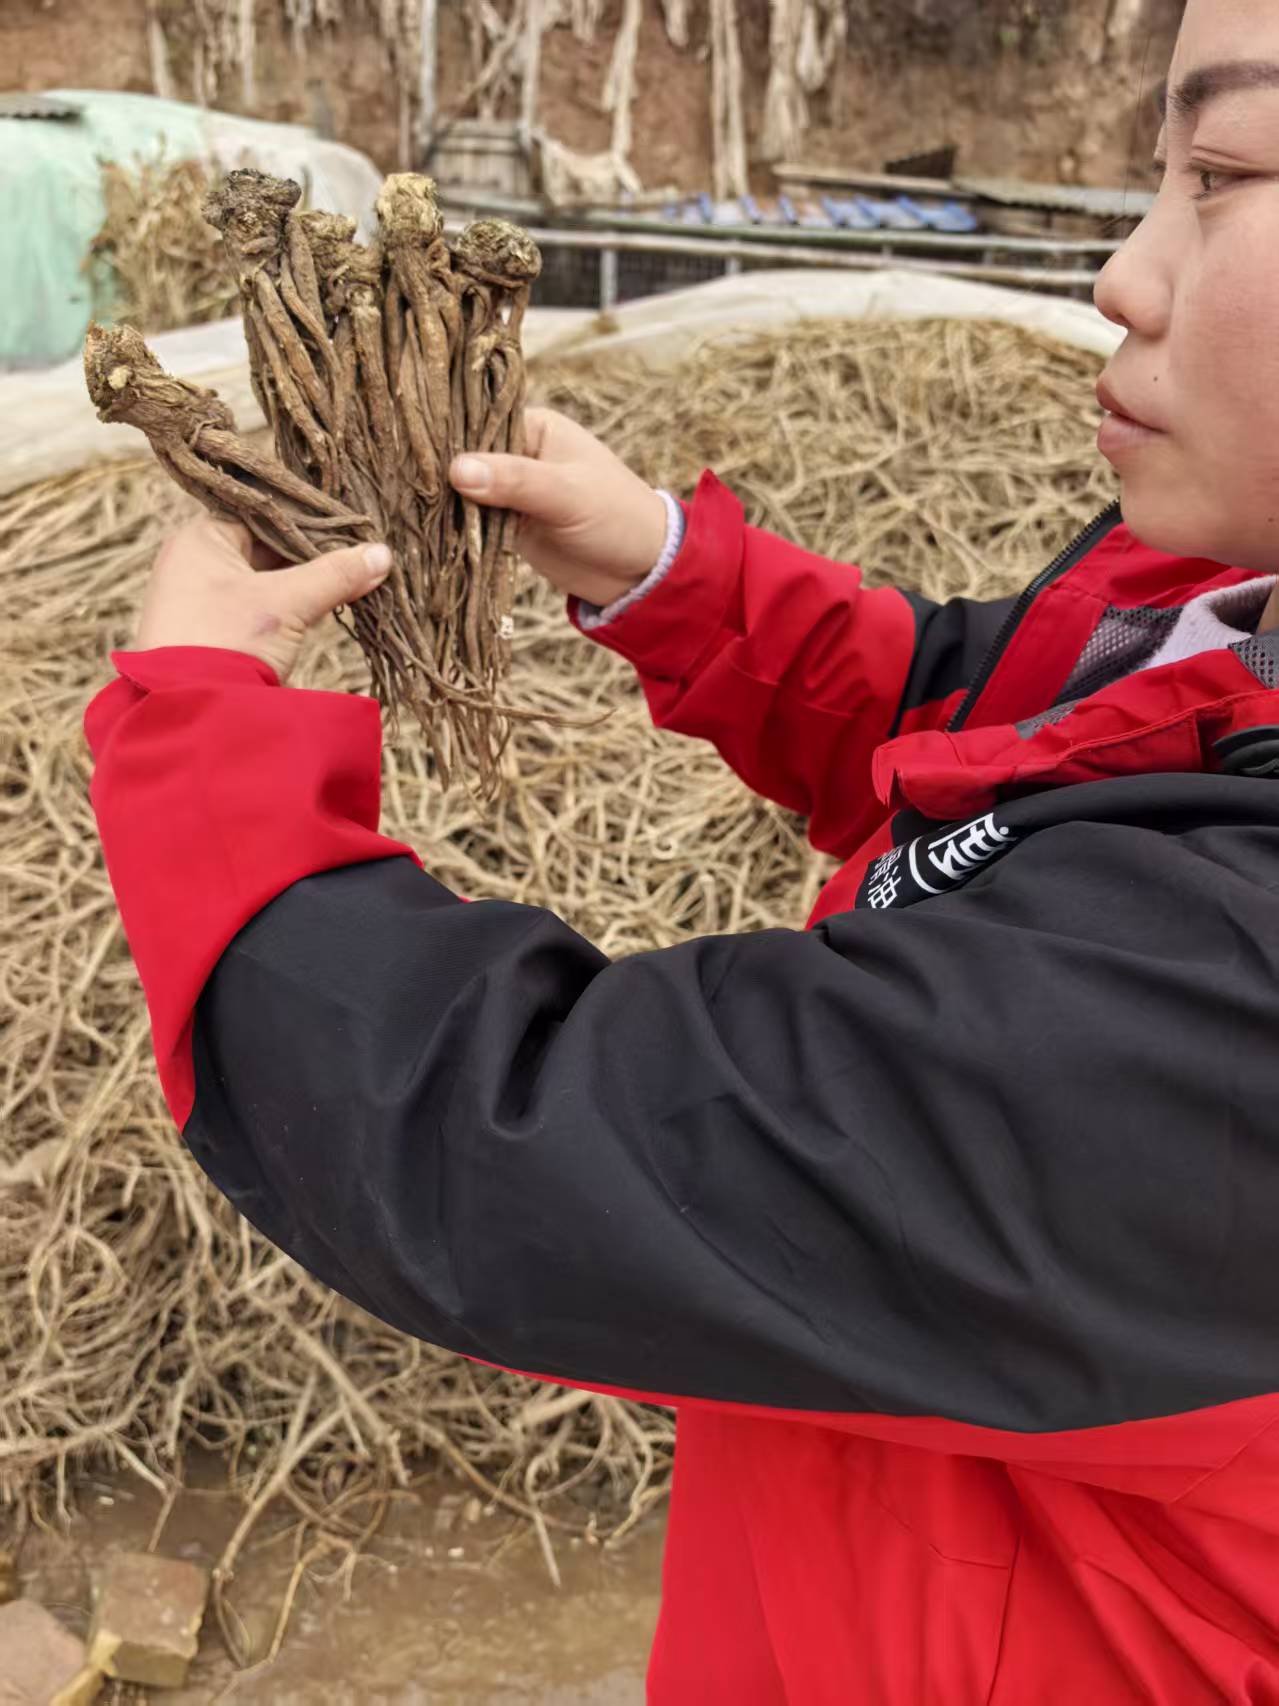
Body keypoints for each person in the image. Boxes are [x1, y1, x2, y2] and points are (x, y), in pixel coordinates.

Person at [85, 0, 1279, 1698]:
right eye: (1153, 172)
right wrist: (661, 568)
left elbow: (517, 1145)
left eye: (1224, 172)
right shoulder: (1212, 608)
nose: (1121, 273)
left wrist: (199, 734)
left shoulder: (1228, 995)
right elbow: (995, 734)